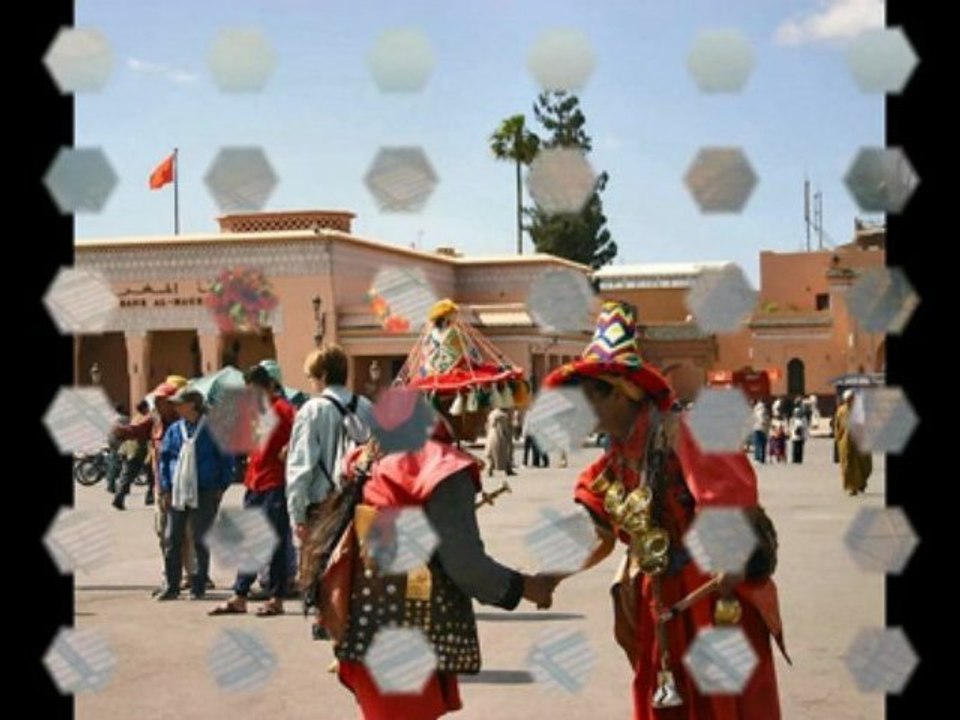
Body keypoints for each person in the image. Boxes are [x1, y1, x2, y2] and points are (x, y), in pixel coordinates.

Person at [302, 299, 555, 720]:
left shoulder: (370, 455)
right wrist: (527, 587)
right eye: (473, 398)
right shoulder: (439, 467)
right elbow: (465, 564)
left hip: (366, 630)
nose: (479, 413)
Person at [543, 301, 784, 720]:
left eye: (586, 400)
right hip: (661, 603)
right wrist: (546, 579)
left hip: (709, 595)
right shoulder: (613, 462)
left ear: (618, 393)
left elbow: (729, 496)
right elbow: (598, 531)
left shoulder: (682, 432)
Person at [209, 365, 295, 617]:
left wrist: (290, 446)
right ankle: (240, 595)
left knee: (275, 542)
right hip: (254, 482)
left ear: (268, 386)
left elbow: (301, 434)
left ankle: (277, 598)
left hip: (275, 484)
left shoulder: (285, 409)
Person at [286, 345, 375, 575]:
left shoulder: (312, 410)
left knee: (321, 577)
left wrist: (297, 516)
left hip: (322, 506)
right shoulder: (366, 406)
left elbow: (301, 468)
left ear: (323, 375)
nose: (311, 383)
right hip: (361, 501)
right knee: (353, 575)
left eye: (311, 377)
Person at [155, 387, 234, 601]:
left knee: (200, 538)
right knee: (173, 537)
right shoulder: (175, 430)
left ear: (192, 404)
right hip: (177, 490)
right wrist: (165, 487)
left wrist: (221, 487)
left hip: (205, 488)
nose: (175, 406)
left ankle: (198, 585)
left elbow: (226, 459)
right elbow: (165, 459)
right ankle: (171, 585)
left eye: (179, 403)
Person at [834, 389, 872, 496]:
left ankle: (861, 483)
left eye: (850, 399)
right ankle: (852, 487)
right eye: (846, 399)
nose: (848, 401)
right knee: (848, 465)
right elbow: (837, 425)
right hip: (846, 442)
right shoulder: (841, 410)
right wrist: (838, 438)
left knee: (864, 464)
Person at [484, 405, 515, 477]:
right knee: (504, 453)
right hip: (499, 436)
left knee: (490, 454)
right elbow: (505, 429)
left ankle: (489, 470)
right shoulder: (503, 416)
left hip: (491, 435)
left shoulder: (491, 414)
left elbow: (487, 426)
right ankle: (508, 469)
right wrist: (509, 437)